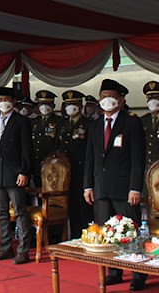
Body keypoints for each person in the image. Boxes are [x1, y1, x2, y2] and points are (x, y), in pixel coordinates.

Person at [83, 79, 146, 291]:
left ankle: (138, 273)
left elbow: (138, 159)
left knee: (131, 230)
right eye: (102, 96)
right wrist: (87, 186)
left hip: (124, 189)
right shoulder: (95, 124)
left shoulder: (131, 122)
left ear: (121, 100)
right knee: (106, 231)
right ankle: (114, 271)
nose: (106, 100)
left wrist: (135, 188)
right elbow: (90, 157)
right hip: (100, 187)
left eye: (110, 96)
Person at [0, 86, 32, 264]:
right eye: (0, 100)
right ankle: (5, 248)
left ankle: (23, 250)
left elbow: (27, 150)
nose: (3, 103)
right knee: (1, 213)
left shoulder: (21, 121)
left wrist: (24, 171)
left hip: (15, 174)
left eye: (6, 99)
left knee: (19, 212)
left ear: (14, 102)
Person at [58, 89, 93, 239]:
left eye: (73, 104)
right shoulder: (64, 124)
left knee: (84, 206)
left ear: (80, 105)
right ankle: (73, 235)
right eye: (67, 104)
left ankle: (86, 234)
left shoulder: (88, 124)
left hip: (82, 170)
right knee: (70, 205)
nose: (70, 107)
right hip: (67, 171)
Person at [30, 90, 63, 187]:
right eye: (41, 103)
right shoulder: (34, 122)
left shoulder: (59, 121)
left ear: (53, 105)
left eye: (47, 103)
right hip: (36, 163)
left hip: (52, 164)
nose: (44, 106)